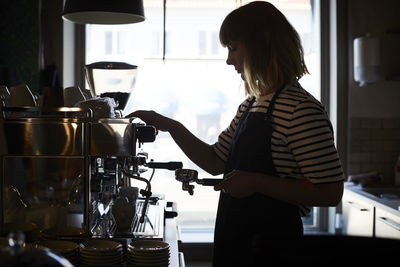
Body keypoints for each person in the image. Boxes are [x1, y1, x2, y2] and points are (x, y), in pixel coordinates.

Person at [127, 1, 344, 266]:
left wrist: (255, 182)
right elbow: (215, 161)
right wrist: (170, 126)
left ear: (261, 44)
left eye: (233, 48)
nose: (229, 59)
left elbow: (330, 192)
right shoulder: (251, 105)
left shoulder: (301, 109)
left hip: (273, 252)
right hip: (235, 245)